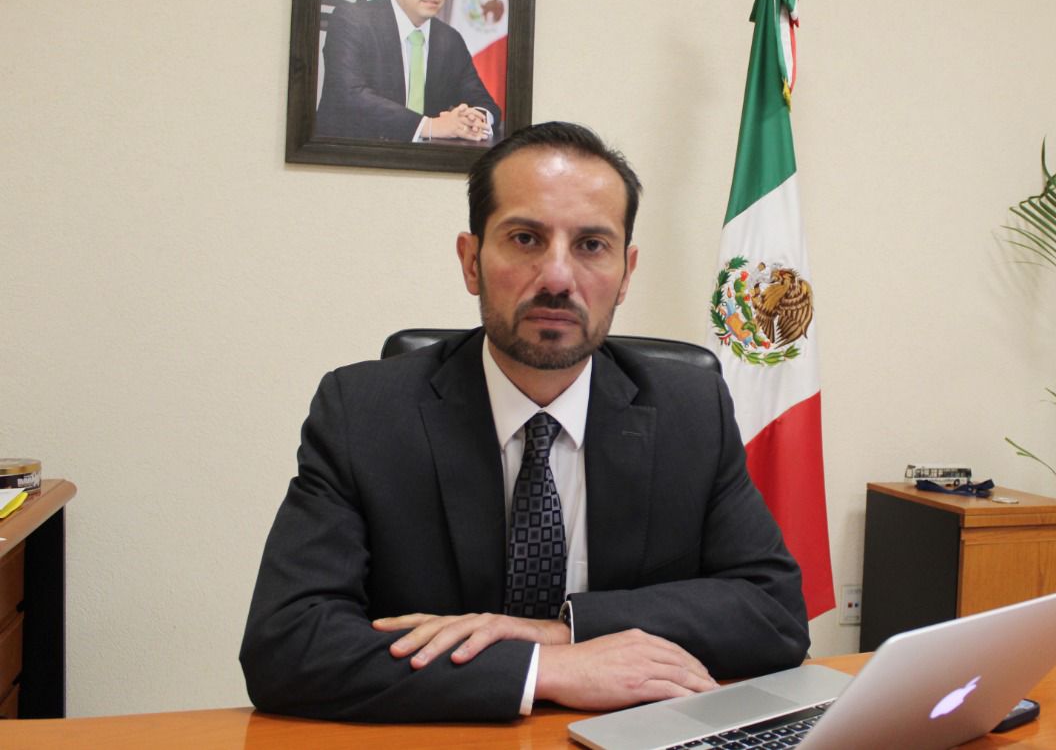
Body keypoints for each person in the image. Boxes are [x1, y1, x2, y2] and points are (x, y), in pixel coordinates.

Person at [239, 122, 809, 723]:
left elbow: (773, 613)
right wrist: (546, 669)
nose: (558, 279)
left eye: (592, 245)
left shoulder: (690, 410)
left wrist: (564, 632)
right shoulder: (363, 413)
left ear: (626, 273)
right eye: (525, 238)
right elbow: (286, 644)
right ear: (471, 262)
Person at [314, 0, 499, 142]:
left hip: (423, 158)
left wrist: (475, 119)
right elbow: (349, 96)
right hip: (351, 151)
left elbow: (484, 102)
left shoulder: (449, 39)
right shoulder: (352, 20)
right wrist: (430, 126)